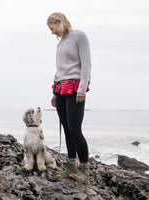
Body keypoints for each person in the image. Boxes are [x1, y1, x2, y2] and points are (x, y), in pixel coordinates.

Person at [47, 12, 91, 184]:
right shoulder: (60, 44)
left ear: (59, 22)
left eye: (52, 28)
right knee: (66, 129)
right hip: (60, 89)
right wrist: (54, 92)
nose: (52, 32)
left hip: (75, 88)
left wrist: (82, 89)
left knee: (75, 129)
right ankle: (71, 165)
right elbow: (59, 70)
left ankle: (85, 170)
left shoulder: (79, 36)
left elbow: (86, 64)